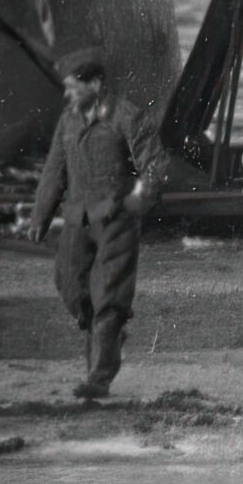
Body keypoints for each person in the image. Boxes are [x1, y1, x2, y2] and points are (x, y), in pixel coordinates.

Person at [24, 48, 168, 401]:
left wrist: (139, 200)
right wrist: (40, 216)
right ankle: (109, 335)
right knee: (69, 284)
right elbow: (54, 170)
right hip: (78, 218)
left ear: (96, 84)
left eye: (74, 87)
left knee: (108, 296)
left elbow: (155, 165)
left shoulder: (126, 116)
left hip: (116, 220)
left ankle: (99, 377)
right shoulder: (68, 121)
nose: (68, 94)